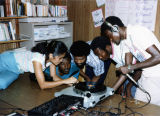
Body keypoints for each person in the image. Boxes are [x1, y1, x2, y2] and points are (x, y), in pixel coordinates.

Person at [100, 16, 160, 106]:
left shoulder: (137, 32)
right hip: (146, 75)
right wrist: (110, 92)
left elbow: (158, 56)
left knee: (150, 109)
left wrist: (130, 67)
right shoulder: (125, 40)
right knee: (137, 106)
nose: (111, 40)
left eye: (110, 36)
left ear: (115, 28)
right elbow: (128, 66)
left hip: (156, 76)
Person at [0, 40, 78, 90]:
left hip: (15, 70)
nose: (61, 60)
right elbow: (43, 85)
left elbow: (54, 76)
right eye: (60, 58)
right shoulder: (38, 58)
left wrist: (68, 83)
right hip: (5, 61)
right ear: (51, 56)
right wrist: (65, 81)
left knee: (2, 84)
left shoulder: (51, 60)